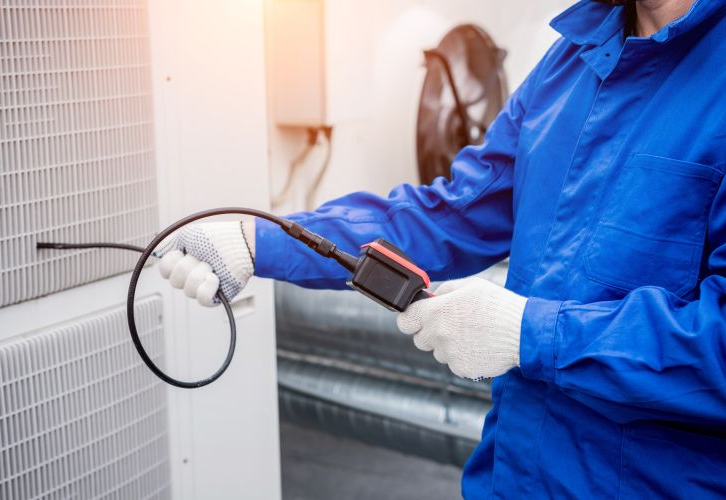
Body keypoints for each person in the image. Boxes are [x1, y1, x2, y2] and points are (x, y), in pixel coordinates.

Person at [157, 0, 726, 497]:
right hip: (512, 478)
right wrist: (259, 241)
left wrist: (527, 333)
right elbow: (450, 213)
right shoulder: (569, 65)